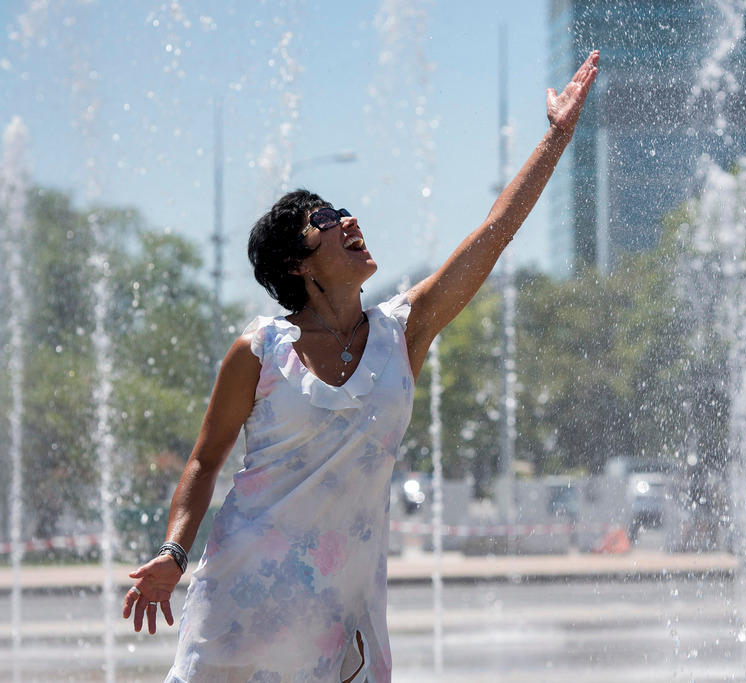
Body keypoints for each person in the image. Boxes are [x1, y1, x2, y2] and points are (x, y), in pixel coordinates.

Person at [122, 49, 599, 682]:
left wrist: (557, 136)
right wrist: (172, 554)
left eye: (342, 211)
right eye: (324, 220)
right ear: (298, 265)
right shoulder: (260, 350)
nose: (348, 220)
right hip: (241, 607)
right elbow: (204, 461)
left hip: (336, 614)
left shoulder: (403, 333)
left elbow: (494, 232)